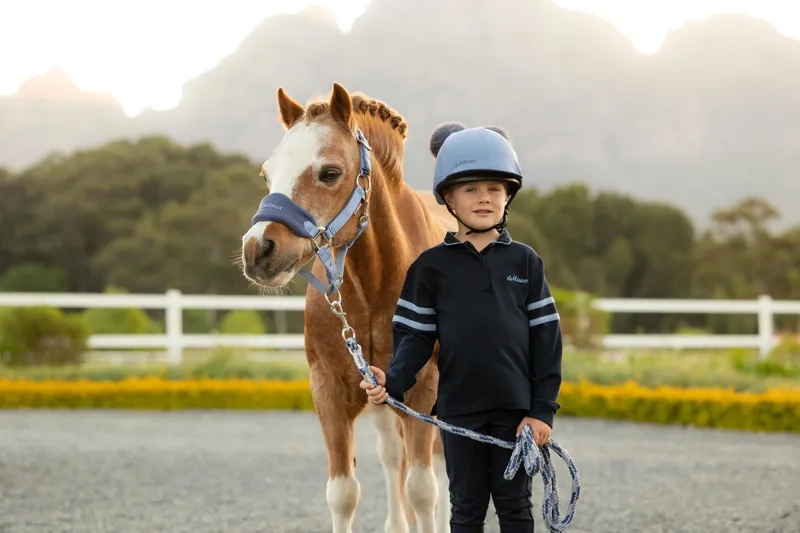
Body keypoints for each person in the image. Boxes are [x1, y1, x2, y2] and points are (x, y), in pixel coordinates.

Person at [360, 122, 563, 533]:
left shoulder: (526, 263)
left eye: (494, 188)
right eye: (470, 189)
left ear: (509, 195)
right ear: (448, 198)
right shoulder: (430, 268)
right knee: (465, 508)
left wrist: (541, 411)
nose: (484, 198)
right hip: (458, 413)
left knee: (516, 508)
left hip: (517, 414)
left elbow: (547, 341)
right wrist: (392, 381)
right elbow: (414, 339)